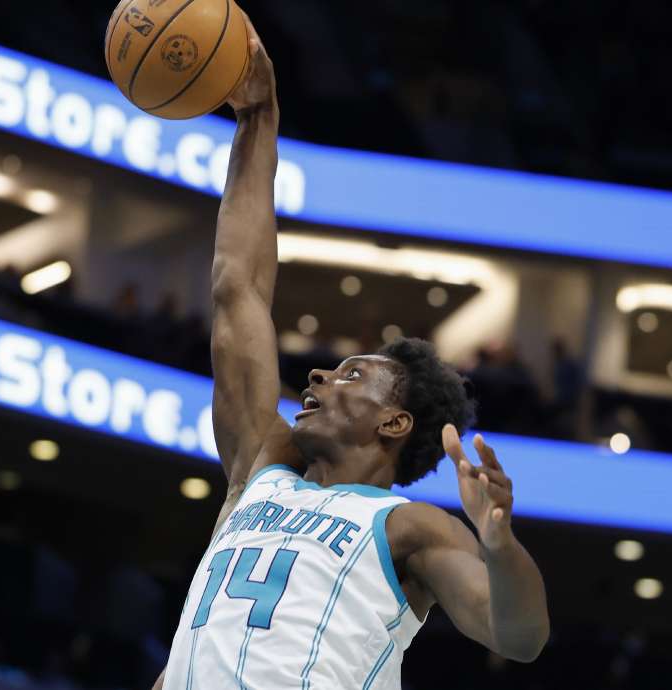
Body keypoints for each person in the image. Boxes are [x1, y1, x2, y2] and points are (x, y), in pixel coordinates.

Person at [153, 20, 549, 690]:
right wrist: (257, 118)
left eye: (353, 375)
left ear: (394, 422)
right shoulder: (261, 468)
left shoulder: (409, 528)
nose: (319, 375)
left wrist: (500, 544)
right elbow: (237, 288)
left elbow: (519, 637)